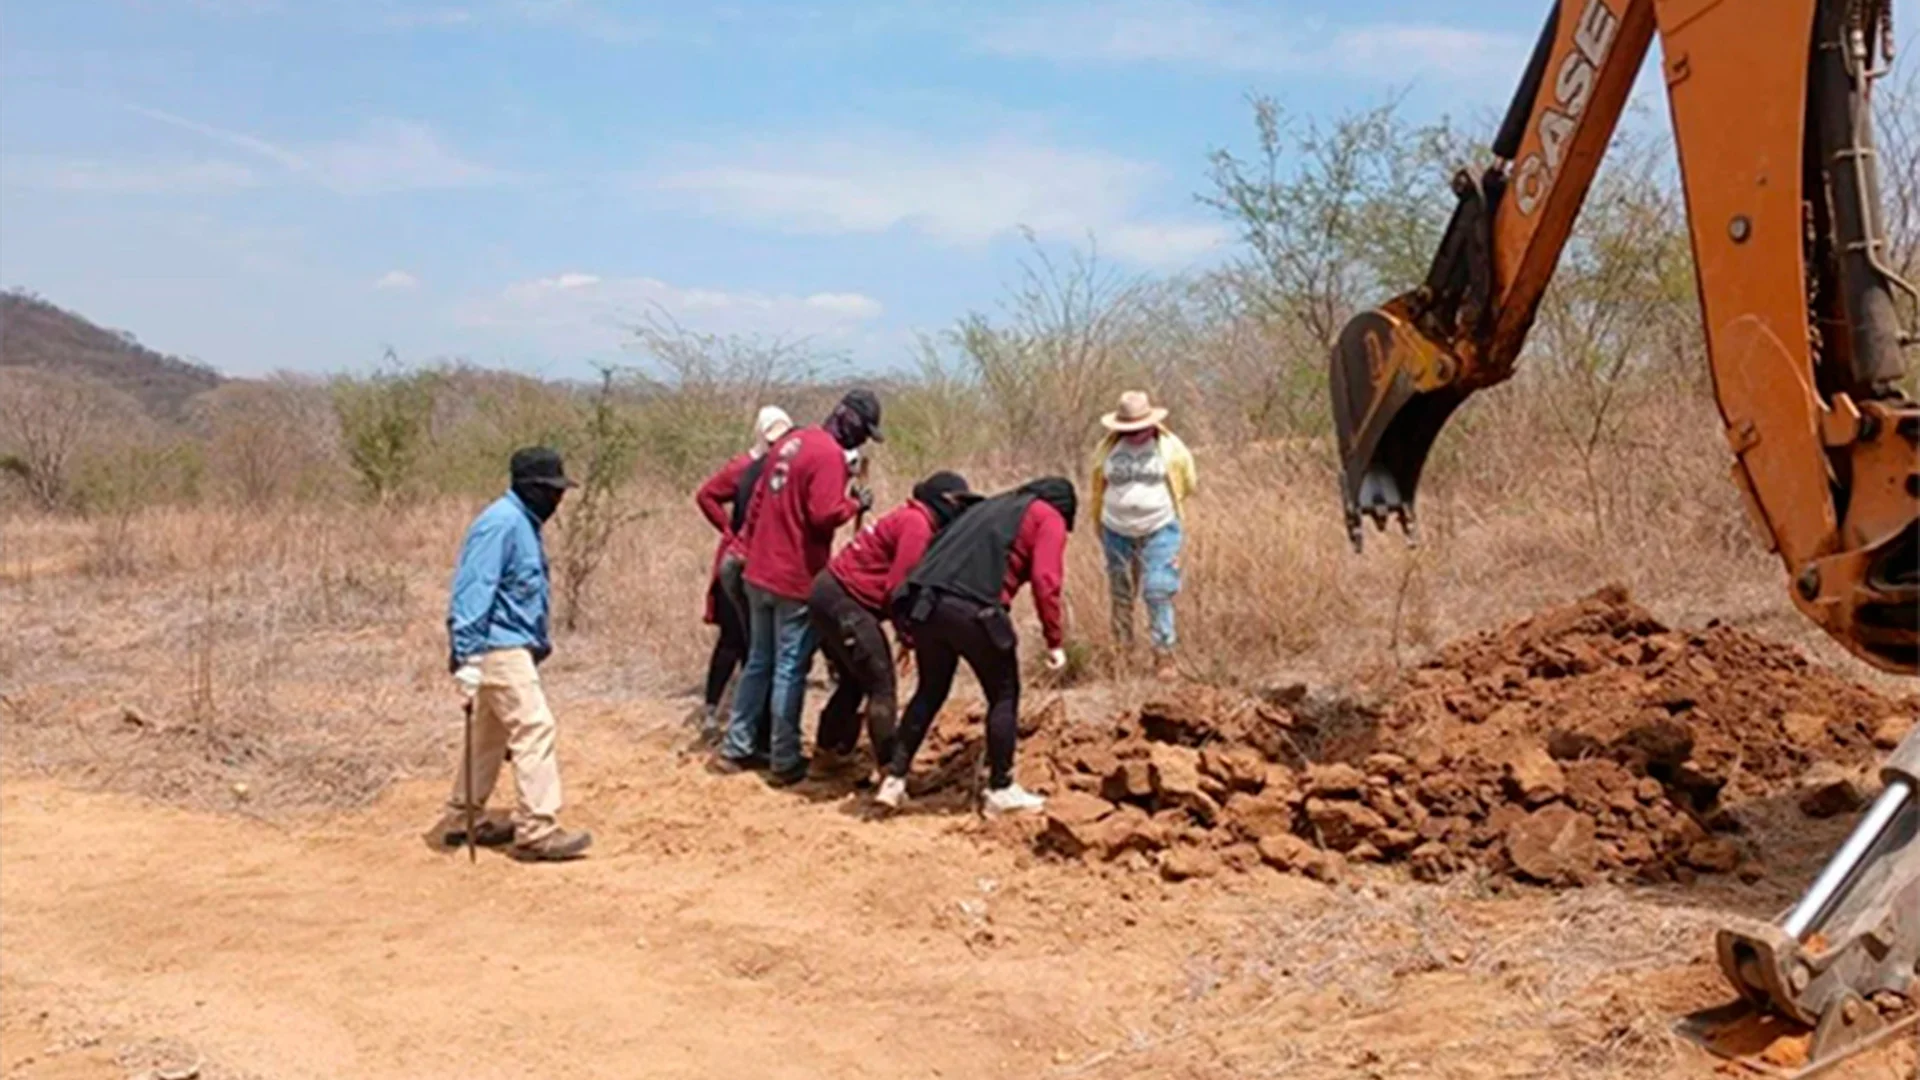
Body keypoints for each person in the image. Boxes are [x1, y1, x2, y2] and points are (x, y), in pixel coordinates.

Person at [877, 477, 1076, 816]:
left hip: (925, 604)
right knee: (1004, 693)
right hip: (974, 609)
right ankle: (1000, 788)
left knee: (930, 690)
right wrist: (1054, 640)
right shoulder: (1048, 517)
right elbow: (1046, 581)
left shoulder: (990, 506)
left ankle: (894, 778)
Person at [716, 389, 884, 786]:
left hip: (758, 568)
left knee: (760, 660)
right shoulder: (827, 456)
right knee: (790, 667)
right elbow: (823, 514)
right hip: (794, 576)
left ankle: (736, 748)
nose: (861, 440)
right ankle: (784, 758)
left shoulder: (792, 441)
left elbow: (757, 502)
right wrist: (855, 506)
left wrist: (748, 547)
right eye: (863, 431)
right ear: (848, 419)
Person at [432, 447, 592, 861]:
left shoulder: (523, 523)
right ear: (531, 487)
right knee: (534, 727)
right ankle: (538, 829)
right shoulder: (501, 525)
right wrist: (467, 655)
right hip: (497, 646)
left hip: (509, 644)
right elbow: (474, 589)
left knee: (490, 733)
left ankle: (463, 818)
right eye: (552, 490)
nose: (558, 499)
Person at [809, 471, 977, 779]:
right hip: (844, 600)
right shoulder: (918, 525)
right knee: (881, 684)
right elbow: (898, 589)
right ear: (943, 502)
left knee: (854, 680)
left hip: (829, 594)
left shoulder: (912, 517)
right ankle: (889, 770)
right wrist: (907, 637)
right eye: (958, 504)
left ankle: (828, 753)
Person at [693, 406, 793, 744]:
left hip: (764, 564)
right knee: (733, 638)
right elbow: (706, 495)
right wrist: (729, 530)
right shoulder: (744, 468)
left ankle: (750, 724)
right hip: (740, 562)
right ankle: (711, 710)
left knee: (757, 643)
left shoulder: (782, 470)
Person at [1089, 390, 1196, 680]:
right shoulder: (1107, 449)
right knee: (1121, 595)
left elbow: (1188, 481)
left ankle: (1164, 656)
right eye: (1129, 428)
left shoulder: (1170, 447)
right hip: (1116, 530)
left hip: (1160, 527)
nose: (1135, 432)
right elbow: (1098, 483)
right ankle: (1122, 654)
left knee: (1158, 590)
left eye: (1139, 426)